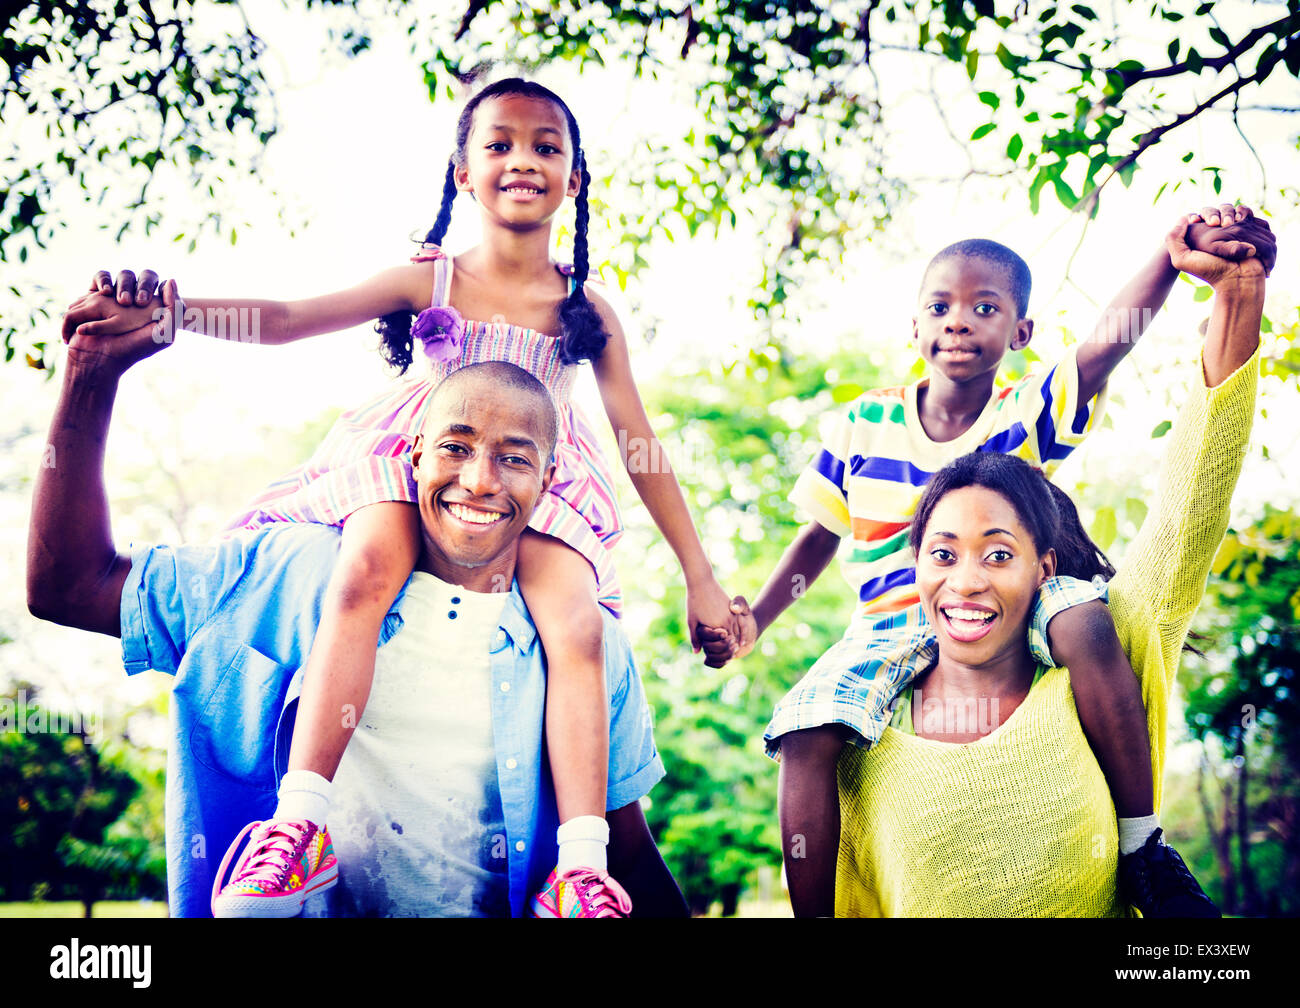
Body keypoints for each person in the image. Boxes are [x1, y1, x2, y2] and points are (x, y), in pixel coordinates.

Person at [60, 78, 744, 917]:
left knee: (575, 625)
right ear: (462, 172)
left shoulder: (583, 307)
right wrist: (177, 315)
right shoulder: (434, 280)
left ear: (575, 178)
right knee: (365, 568)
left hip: (535, 482)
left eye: (545, 146)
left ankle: (580, 868)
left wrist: (699, 574)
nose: (522, 159)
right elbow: (285, 318)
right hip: (418, 460)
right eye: (498, 143)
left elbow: (640, 443)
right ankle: (302, 821)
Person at [28, 286, 688, 917]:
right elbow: (70, 588)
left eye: (513, 459)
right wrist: (92, 373)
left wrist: (703, 583)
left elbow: (627, 848)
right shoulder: (289, 577)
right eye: (455, 448)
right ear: (413, 453)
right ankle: (297, 830)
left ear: (551, 479)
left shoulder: (583, 639)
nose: (480, 482)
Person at [704, 206, 1274, 916]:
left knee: (1087, 627)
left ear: (1020, 332)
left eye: (984, 307)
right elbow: (819, 534)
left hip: (1019, 605)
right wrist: (753, 620)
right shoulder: (863, 422)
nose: (959, 321)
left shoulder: (1024, 410)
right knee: (805, 727)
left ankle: (1141, 846)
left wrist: (1169, 257)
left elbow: (1103, 348)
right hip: (887, 626)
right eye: (939, 307)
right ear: (914, 327)